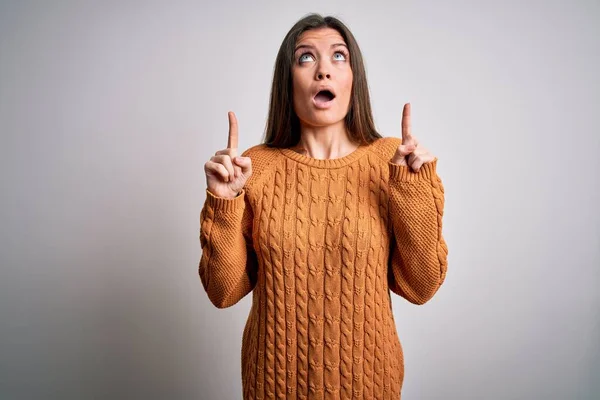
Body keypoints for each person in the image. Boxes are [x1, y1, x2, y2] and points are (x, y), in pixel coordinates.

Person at [199, 13, 448, 400]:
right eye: (305, 58)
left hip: (370, 388)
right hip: (273, 388)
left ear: (353, 78)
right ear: (288, 80)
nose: (323, 72)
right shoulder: (255, 167)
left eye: (338, 57)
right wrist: (224, 202)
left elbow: (422, 286)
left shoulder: (393, 163)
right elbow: (223, 290)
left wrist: (412, 192)